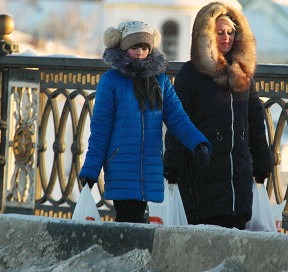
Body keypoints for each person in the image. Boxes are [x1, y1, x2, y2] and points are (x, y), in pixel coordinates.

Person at [78, 20, 211, 223]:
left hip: (150, 168)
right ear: (123, 48)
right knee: (129, 222)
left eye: (144, 47)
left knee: (141, 227)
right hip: (122, 167)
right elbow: (100, 130)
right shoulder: (111, 81)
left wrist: (198, 142)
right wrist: (90, 171)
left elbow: (177, 117)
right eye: (134, 47)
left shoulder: (160, 81)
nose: (140, 52)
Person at [164, 2, 272, 229]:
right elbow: (178, 120)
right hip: (202, 172)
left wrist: (262, 158)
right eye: (219, 32)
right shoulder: (191, 74)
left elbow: (254, 120)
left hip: (238, 175)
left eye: (231, 32)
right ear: (207, 36)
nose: (226, 38)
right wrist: (172, 162)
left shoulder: (243, 74)